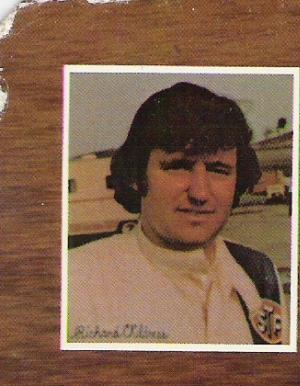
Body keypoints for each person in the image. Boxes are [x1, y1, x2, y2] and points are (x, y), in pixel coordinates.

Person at [67, 82, 286, 346]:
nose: (200, 193)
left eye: (218, 170)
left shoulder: (257, 271)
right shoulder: (78, 278)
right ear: (137, 176)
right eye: (178, 167)